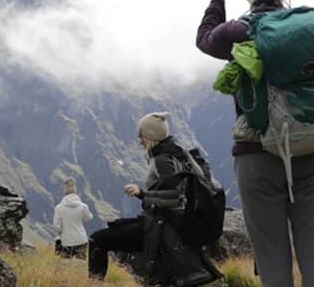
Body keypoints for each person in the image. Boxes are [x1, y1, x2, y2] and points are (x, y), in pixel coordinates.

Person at [196, 0, 314, 287]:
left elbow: (204, 39)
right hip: (313, 149)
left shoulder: (241, 30)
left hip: (259, 156)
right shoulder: (310, 26)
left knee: (273, 263)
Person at [87, 112, 221, 285]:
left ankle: (93, 284)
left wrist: (142, 194)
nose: (139, 139)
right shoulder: (179, 153)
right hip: (172, 225)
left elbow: (176, 196)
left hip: (160, 228)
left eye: (140, 134)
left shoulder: (162, 160)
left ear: (150, 136)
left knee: (98, 239)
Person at [52, 178, 92, 258]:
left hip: (66, 242)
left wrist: (61, 231)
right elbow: (89, 218)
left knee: (65, 267)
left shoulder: (59, 208)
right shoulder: (83, 206)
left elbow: (57, 227)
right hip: (81, 240)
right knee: (80, 265)